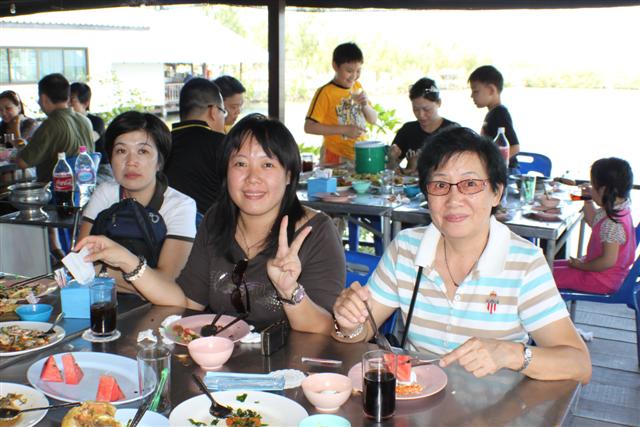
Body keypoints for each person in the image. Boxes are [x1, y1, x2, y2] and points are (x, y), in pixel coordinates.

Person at [332, 126, 591, 384]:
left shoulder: (524, 262)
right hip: (417, 398)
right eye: (440, 185)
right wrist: (348, 324)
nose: (454, 199)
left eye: (470, 184)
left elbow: (579, 364)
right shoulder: (406, 248)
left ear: (496, 193)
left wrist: (511, 354)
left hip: (497, 404)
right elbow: (362, 331)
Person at [76, 114, 345, 334]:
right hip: (221, 364)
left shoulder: (315, 232)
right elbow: (186, 301)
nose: (252, 177)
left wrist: (290, 291)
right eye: (240, 163)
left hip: (294, 371)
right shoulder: (218, 220)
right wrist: (127, 261)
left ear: (289, 175)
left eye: (267, 165)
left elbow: (326, 330)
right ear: (226, 172)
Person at [77, 111, 197, 294]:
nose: (131, 161)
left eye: (143, 151)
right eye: (121, 151)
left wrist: (102, 271)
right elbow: (79, 263)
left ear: (159, 162)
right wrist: (142, 281)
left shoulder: (180, 206)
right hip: (103, 300)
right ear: (110, 159)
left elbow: (167, 283)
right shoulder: (105, 193)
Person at [554, 158, 635, 294]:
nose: (591, 188)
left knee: (544, 275)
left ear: (603, 190)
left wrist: (582, 266)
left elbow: (607, 261)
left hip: (601, 280)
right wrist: (587, 199)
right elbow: (593, 221)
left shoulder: (612, 224)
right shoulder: (619, 208)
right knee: (546, 265)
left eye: (593, 185)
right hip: (604, 274)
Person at [304, 42, 378, 164]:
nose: (354, 76)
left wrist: (365, 105)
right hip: (334, 155)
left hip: (358, 154)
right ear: (335, 66)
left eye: (358, 71)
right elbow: (309, 127)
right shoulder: (326, 92)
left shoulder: (357, 86)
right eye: (349, 71)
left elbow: (373, 119)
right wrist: (344, 130)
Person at [15, 73, 95, 182]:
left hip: (56, 188)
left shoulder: (51, 124)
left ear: (44, 98)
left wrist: (20, 145)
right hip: (85, 185)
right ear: (68, 97)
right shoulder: (85, 121)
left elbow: (23, 162)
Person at [164, 78, 226, 214]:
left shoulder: (161, 144)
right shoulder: (223, 144)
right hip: (211, 224)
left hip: (165, 223)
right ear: (213, 111)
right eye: (223, 112)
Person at [388, 77, 457, 174]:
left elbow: (459, 171)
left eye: (426, 109)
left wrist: (416, 167)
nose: (421, 115)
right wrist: (391, 158)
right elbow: (391, 171)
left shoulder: (453, 132)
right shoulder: (408, 130)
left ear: (439, 103)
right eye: (416, 109)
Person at [468, 65, 520, 172]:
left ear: (491, 90)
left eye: (475, 91)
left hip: (506, 172)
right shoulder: (492, 113)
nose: (471, 96)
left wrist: (494, 165)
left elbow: (515, 147)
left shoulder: (500, 113)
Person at [70, 82, 111, 182]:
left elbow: (86, 142)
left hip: (101, 170)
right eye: (66, 100)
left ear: (86, 103)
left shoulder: (96, 122)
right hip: (78, 168)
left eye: (72, 100)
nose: (68, 104)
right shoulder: (67, 123)